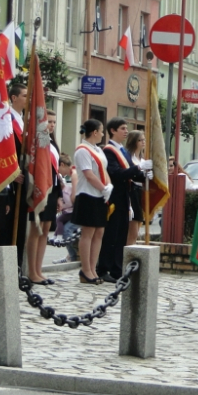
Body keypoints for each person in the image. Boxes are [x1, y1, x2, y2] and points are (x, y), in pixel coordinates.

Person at [97, 118, 149, 283]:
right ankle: (104, 268)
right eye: (122, 128)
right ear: (112, 130)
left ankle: (117, 269)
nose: (126, 131)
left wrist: (144, 175)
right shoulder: (109, 150)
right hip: (114, 198)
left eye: (127, 128)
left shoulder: (123, 151)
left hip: (125, 197)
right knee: (111, 235)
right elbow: (116, 173)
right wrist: (138, 168)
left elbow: (130, 174)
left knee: (121, 235)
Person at [72, 119, 113, 284]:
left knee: (99, 233)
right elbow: (88, 174)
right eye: (101, 130)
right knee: (87, 233)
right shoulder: (82, 151)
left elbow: (104, 170)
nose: (103, 134)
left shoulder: (98, 150)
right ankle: (86, 270)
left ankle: (93, 268)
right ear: (94, 132)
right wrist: (103, 188)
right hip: (88, 194)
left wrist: (108, 186)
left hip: (100, 195)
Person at [26, 109, 62, 285]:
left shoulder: (52, 144)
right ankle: (31, 271)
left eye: (54, 122)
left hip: (52, 190)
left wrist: (60, 196)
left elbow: (57, 173)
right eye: (50, 122)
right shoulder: (37, 142)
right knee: (36, 230)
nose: (52, 125)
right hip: (40, 190)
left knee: (46, 230)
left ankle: (39, 270)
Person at [0, 83, 28, 266]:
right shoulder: (6, 119)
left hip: (23, 180)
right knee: (7, 229)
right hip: (9, 180)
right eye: (25, 95)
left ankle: (16, 267)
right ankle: (7, 268)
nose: (28, 99)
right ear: (14, 97)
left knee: (20, 226)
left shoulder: (23, 119)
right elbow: (2, 149)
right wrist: (10, 172)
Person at [53, 154, 79, 264]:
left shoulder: (73, 174)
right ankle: (72, 255)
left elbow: (74, 197)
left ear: (62, 165)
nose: (60, 172)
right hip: (73, 210)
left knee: (67, 230)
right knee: (67, 229)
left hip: (76, 210)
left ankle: (73, 256)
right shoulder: (71, 174)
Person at [125, 130, 148, 245]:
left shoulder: (143, 159)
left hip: (141, 191)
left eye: (144, 139)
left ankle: (132, 245)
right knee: (133, 222)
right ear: (133, 141)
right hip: (132, 190)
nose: (143, 142)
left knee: (139, 220)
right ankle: (129, 246)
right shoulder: (129, 157)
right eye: (140, 140)